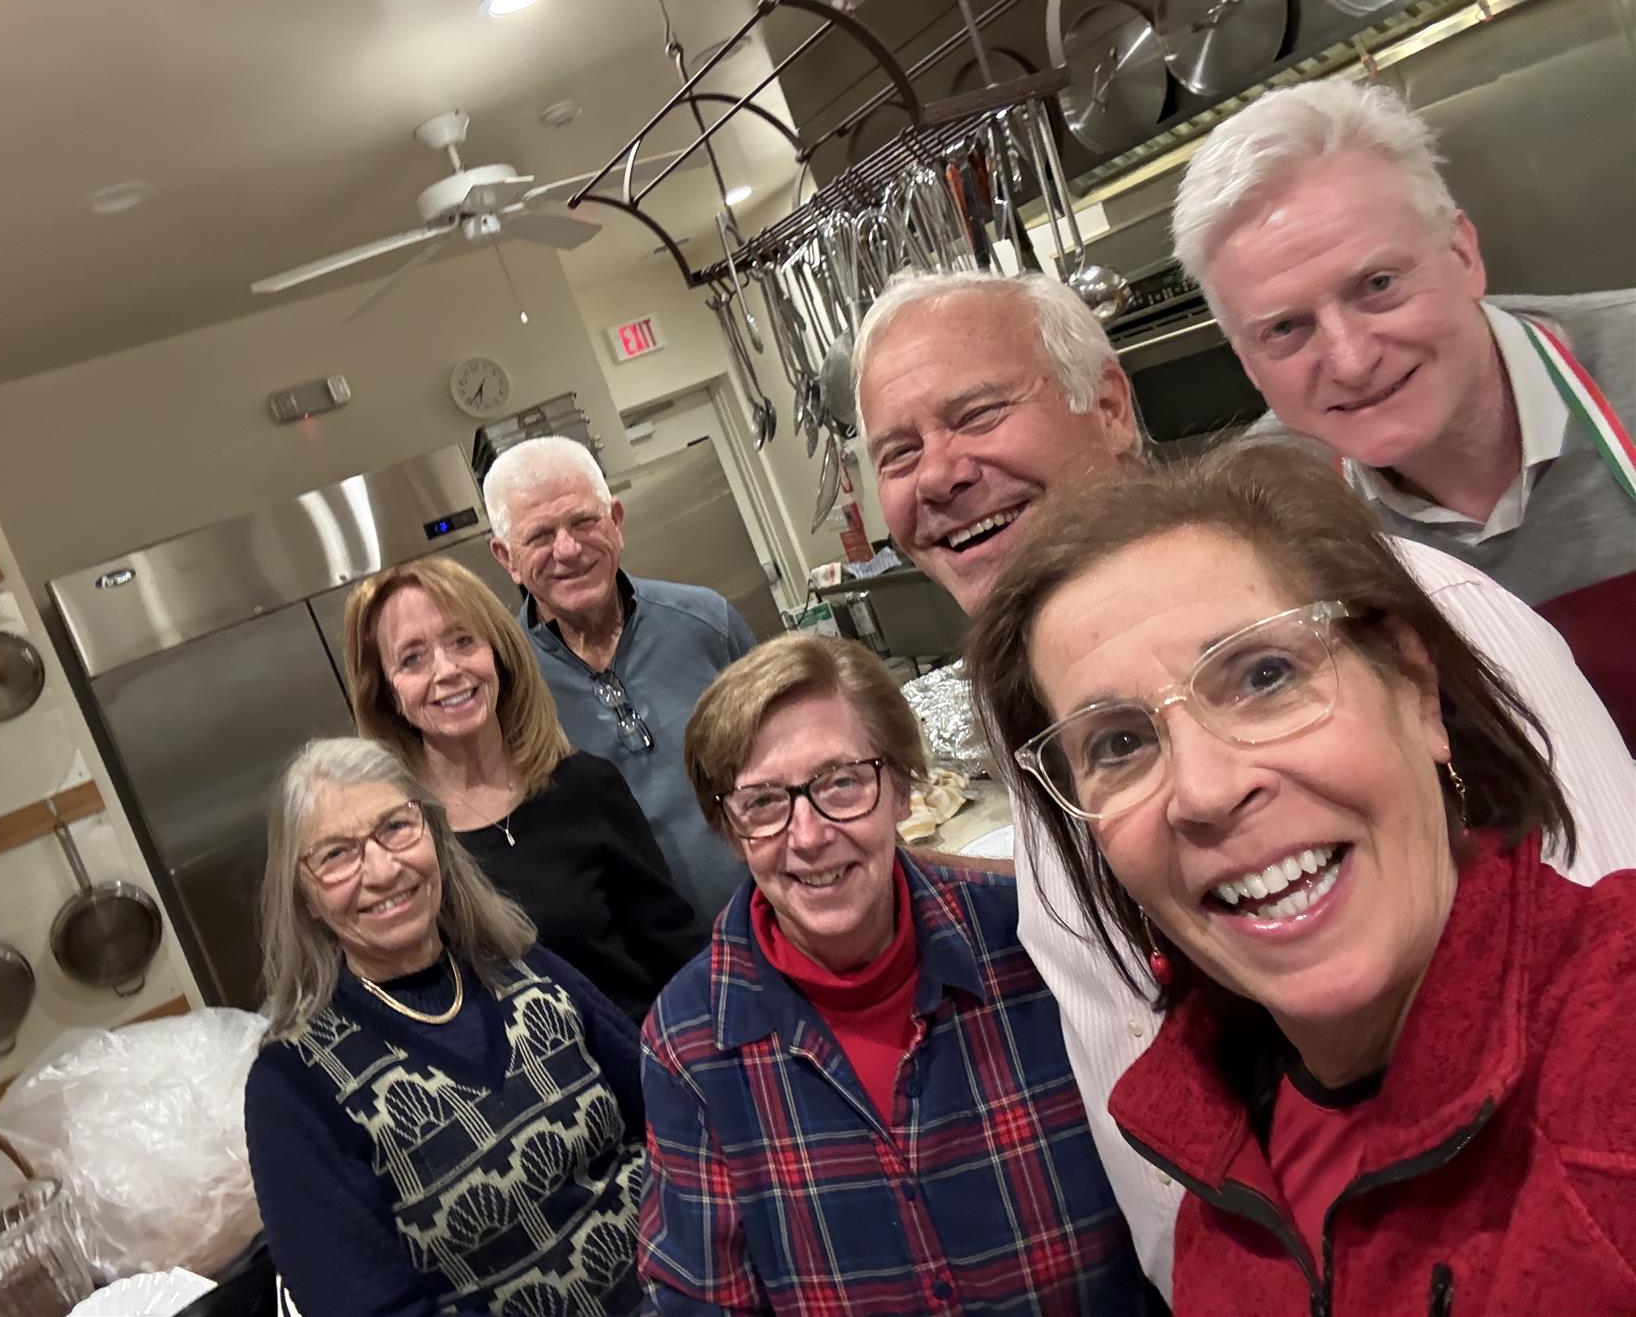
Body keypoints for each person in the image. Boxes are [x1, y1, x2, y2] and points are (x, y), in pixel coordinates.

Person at [852, 264, 1636, 1293]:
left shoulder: (1409, 602)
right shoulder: (1039, 727)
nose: (940, 473)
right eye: (899, 451)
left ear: (1111, 404)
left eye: (1263, 680)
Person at [966, 440, 1636, 1312]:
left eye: (1264, 675)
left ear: (1414, 687)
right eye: (1120, 743)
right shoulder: (1219, 1153)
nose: (1204, 789)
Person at [637, 633, 1152, 1316]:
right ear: (730, 831)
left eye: (841, 782)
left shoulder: (1039, 943)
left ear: (904, 786)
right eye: (763, 802)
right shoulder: (689, 1039)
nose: (810, 833)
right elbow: (697, 1302)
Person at [1172, 76, 1636, 742]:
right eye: (1285, 328)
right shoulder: (1252, 512)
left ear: (1463, 253)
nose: (1352, 359)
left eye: (1378, 285)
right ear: (1244, 359)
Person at [244, 737, 647, 1317]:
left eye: (396, 828)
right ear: (304, 896)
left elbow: (667, 1120)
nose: (382, 871)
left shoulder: (523, 965)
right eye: (336, 855)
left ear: (434, 836)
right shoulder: (293, 1087)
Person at [342, 555, 704, 1022]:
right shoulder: (395, 848)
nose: (447, 669)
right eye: (412, 658)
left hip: (645, 1074)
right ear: (387, 694)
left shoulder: (586, 788)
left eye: (462, 641)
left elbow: (678, 958)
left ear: (498, 652)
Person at [483, 436, 756, 921]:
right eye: (540, 536)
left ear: (616, 521)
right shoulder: (503, 689)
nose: (568, 550)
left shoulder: (706, 622)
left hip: (778, 918)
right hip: (641, 969)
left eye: (584, 521)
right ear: (507, 559)